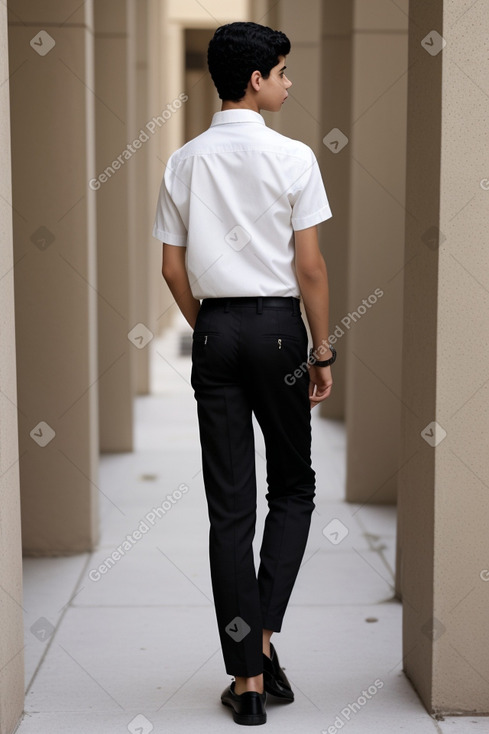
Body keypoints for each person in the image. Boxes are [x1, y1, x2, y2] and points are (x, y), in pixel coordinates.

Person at [152, 21, 335, 726]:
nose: (289, 84)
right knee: (291, 486)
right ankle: (260, 640)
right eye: (284, 72)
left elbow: (172, 268)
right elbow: (309, 267)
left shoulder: (183, 160)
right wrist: (320, 351)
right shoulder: (292, 157)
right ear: (256, 80)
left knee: (229, 509)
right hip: (280, 331)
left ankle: (246, 679)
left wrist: (213, 332)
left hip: (217, 328)